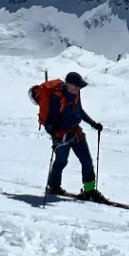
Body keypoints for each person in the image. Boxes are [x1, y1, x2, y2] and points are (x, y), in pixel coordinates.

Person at [42, 71, 105, 200]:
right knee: (61, 161)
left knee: (86, 161)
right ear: (70, 85)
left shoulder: (76, 94)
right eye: (78, 86)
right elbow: (49, 123)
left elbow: (79, 111)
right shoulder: (57, 98)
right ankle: (53, 187)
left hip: (76, 133)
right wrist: (53, 133)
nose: (80, 88)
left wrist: (93, 123)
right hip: (62, 136)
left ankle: (89, 191)